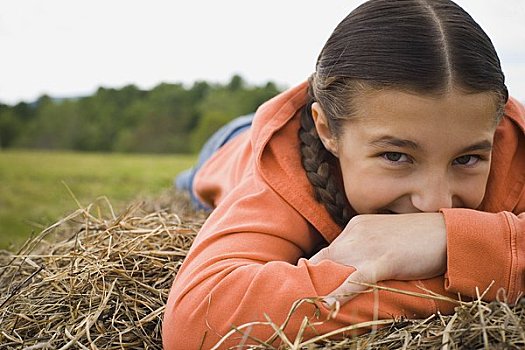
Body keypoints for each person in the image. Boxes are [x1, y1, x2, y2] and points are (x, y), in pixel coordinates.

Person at [162, 0, 525, 348]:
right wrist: (484, 274)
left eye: (467, 159)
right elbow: (202, 324)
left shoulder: (512, 141)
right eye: (395, 155)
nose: (435, 203)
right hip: (233, 147)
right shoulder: (280, 172)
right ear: (328, 132)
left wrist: (449, 239)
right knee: (201, 172)